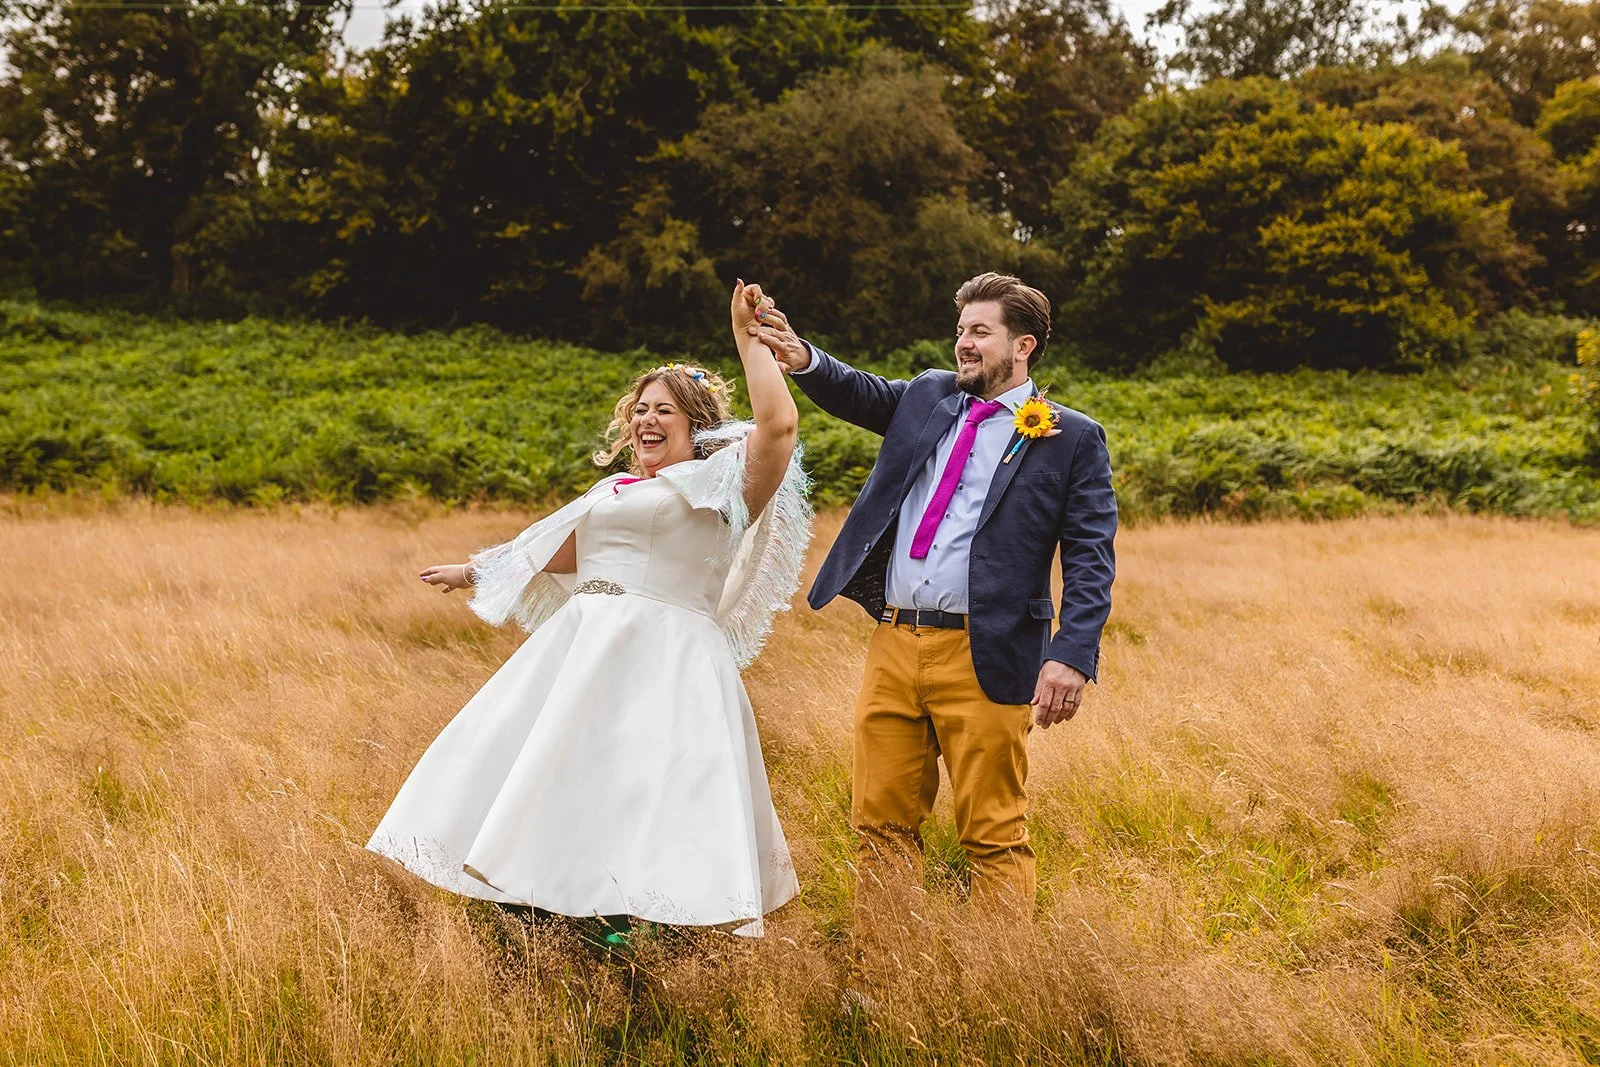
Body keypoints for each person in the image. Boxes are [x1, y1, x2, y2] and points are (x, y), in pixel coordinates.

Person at [367, 282, 811, 939]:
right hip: (585, 647)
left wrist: (748, 338)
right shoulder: (616, 488)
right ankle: (544, 918)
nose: (646, 421)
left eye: (664, 411)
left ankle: (643, 929)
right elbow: (555, 549)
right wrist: (475, 569)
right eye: (641, 410)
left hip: (670, 657)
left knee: (650, 792)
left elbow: (778, 425)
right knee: (561, 780)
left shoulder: (725, 487)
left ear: (697, 425)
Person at [749, 272, 1116, 936]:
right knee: (880, 821)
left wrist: (1071, 657)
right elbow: (861, 392)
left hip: (991, 652)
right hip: (895, 643)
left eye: (980, 332)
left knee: (992, 833)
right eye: (960, 332)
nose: (963, 345)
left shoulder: (1071, 438)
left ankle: (996, 988)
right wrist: (801, 356)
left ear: (1024, 345)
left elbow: (1091, 557)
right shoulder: (929, 396)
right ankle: (883, 979)